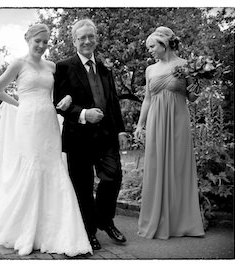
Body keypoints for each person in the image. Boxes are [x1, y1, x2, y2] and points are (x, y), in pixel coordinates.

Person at [0, 24, 92, 257]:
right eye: (38, 41)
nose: (42, 46)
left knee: (53, 166)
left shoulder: (52, 66)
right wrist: (20, 105)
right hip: (28, 121)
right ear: (28, 39)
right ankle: (25, 229)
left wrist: (66, 98)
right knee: (32, 166)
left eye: (46, 42)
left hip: (48, 120)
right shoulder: (18, 64)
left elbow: (65, 90)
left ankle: (58, 230)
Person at [54, 19, 128, 250]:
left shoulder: (106, 68)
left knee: (113, 177)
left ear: (96, 38)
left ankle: (105, 220)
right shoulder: (63, 67)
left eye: (91, 36)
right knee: (83, 188)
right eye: (82, 37)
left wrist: (121, 129)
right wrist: (84, 113)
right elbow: (57, 103)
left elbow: (113, 102)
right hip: (78, 137)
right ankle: (88, 231)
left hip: (106, 136)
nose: (87, 41)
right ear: (74, 40)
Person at [133, 26, 205, 239]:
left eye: (152, 46)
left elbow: (193, 98)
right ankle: (158, 219)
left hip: (178, 121)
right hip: (156, 121)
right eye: (148, 48)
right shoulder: (150, 70)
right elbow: (147, 99)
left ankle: (181, 222)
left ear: (164, 44)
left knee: (179, 167)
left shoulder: (185, 66)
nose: (150, 51)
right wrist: (139, 125)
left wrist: (200, 79)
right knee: (156, 167)